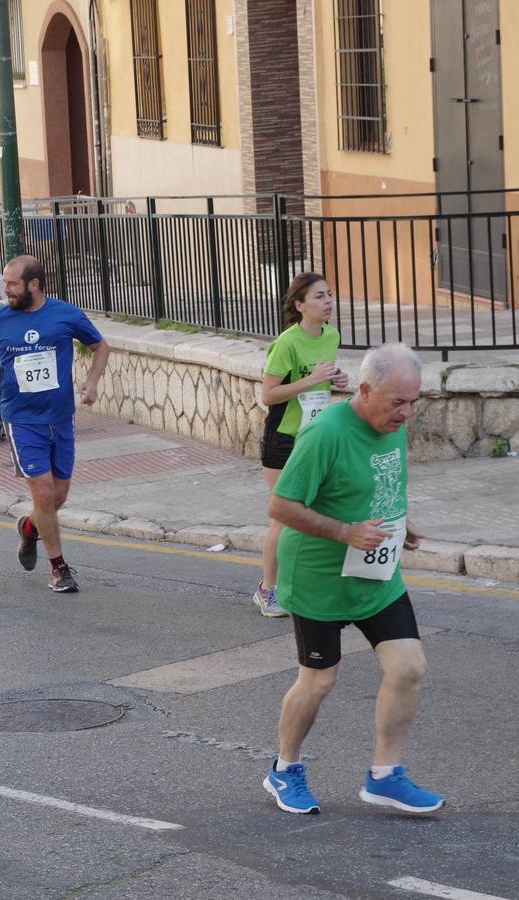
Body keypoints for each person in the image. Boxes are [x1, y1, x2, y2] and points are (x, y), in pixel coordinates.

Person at [262, 343, 442, 816]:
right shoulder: (325, 434)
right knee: (319, 681)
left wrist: (400, 522)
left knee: (409, 667)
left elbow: (379, 484)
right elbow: (280, 506)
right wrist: (346, 532)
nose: (405, 413)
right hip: (318, 577)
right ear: (364, 390)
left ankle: (385, 776)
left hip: (376, 573)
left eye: (413, 401)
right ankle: (284, 770)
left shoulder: (392, 426)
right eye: (396, 402)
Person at [0, 255, 109, 593]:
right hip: (21, 419)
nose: (6, 290)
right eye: (4, 283)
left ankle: (29, 528)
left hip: (60, 418)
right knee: (44, 493)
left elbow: (100, 346)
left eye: (12, 284)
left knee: (57, 497)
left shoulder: (65, 314)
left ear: (34, 284)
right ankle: (59, 567)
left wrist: (92, 383)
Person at [255, 273, 349, 618]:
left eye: (329, 294)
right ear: (299, 305)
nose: (328, 302)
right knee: (284, 516)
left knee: (321, 512)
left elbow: (322, 385)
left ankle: (310, 583)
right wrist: (310, 380)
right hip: (284, 438)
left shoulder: (331, 336)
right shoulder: (288, 343)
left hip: (316, 437)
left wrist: (338, 380)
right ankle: (267, 589)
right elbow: (268, 394)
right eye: (319, 296)